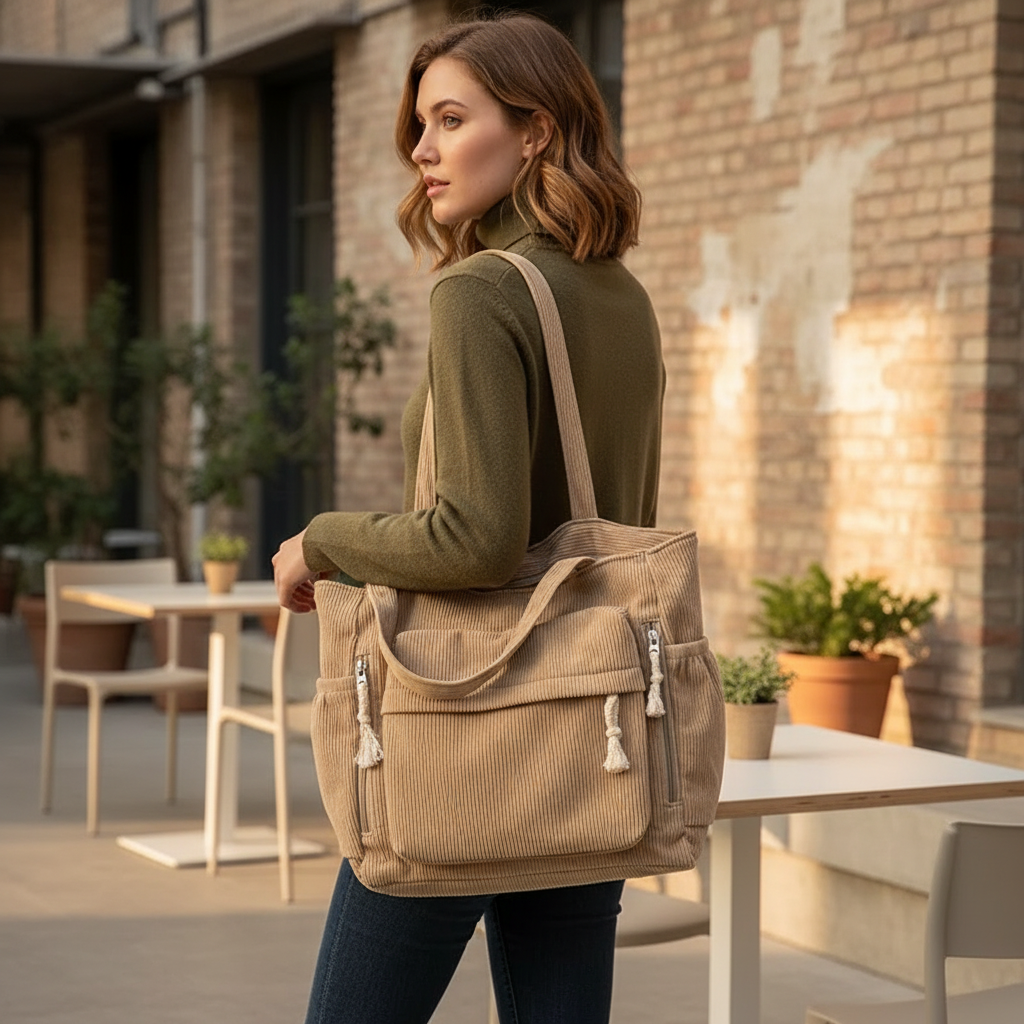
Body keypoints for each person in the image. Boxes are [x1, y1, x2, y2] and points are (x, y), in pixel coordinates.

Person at [272, 13, 664, 1024]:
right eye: (420, 123)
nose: (421, 149)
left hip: (464, 713)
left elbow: (474, 538)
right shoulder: (618, 294)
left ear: (534, 131)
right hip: (591, 718)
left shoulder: (481, 294)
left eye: (451, 119)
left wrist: (319, 538)